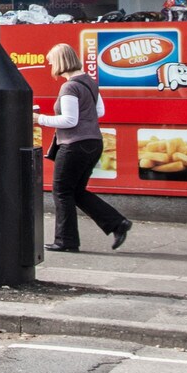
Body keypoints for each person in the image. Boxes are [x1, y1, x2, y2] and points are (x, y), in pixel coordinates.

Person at [36, 42, 131, 253]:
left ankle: (66, 240)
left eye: (51, 61)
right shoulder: (90, 82)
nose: (50, 65)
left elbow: (69, 121)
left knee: (61, 191)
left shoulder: (69, 86)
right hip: (93, 143)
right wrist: (84, 120)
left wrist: (39, 118)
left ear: (60, 62)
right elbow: (100, 111)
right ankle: (117, 223)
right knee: (75, 191)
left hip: (74, 145)